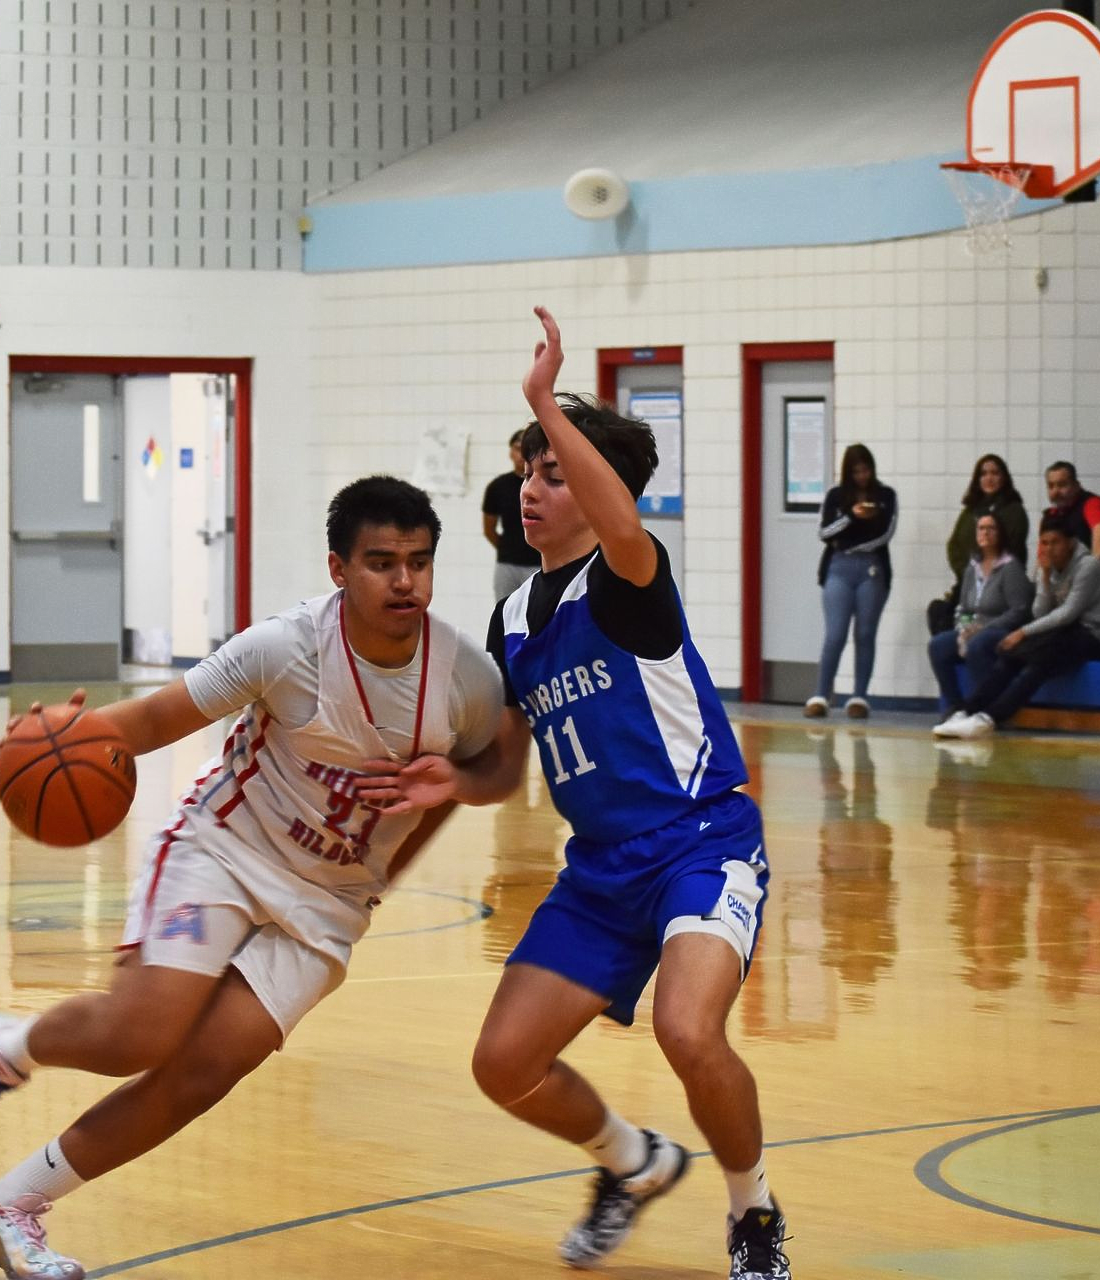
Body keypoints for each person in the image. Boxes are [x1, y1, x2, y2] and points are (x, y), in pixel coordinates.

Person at [0, 476, 508, 1280]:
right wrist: (58, 739)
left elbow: (499, 765)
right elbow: (157, 720)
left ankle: (6, 1210)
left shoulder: (463, 675)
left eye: (420, 562)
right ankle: (2, 1050)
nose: (405, 582)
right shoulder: (285, 648)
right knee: (141, 1033)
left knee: (202, 1074)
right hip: (227, 849)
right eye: (381, 562)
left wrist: (459, 788)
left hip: (329, 901)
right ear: (338, 568)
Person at [363, 307, 793, 1279]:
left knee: (690, 1028)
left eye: (552, 469)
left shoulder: (629, 573)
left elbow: (623, 516)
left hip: (699, 844)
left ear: (597, 487)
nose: (533, 486)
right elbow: (509, 766)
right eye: (528, 469)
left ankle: (752, 1210)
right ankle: (632, 1161)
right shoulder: (513, 614)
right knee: (501, 1063)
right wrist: (453, 780)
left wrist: (545, 402)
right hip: (599, 870)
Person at [933, 513, 1100, 739]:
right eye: (1045, 543)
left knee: (1038, 662)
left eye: (1055, 542)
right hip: (1063, 632)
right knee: (1011, 655)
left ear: (1070, 542)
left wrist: (1022, 632)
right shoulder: (1046, 566)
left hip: (1093, 635)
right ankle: (966, 711)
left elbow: (1066, 614)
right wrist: (1046, 576)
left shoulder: (1088, 566)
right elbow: (1040, 612)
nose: (1049, 549)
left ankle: (988, 718)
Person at [809, 443, 897, 718]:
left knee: (865, 633)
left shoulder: (885, 496)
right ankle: (822, 694)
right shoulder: (837, 496)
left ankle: (859, 695)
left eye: (866, 470)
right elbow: (824, 533)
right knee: (835, 633)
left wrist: (854, 543)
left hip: (871, 567)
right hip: (839, 566)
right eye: (857, 471)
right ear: (849, 472)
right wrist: (851, 517)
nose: (862, 476)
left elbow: (886, 533)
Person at [928, 512, 1031, 720]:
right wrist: (963, 630)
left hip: (1001, 630)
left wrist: (985, 628)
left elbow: (1019, 610)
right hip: (974, 629)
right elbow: (965, 608)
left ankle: (982, 708)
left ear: (1000, 533)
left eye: (990, 528)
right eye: (981, 528)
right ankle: (956, 706)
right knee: (938, 645)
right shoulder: (971, 568)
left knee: (979, 644)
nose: (985, 532)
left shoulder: (1010, 567)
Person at [1045, 460, 1100, 609]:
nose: (1055, 491)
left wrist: (1081, 581)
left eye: (1062, 485)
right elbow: (1044, 561)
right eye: (1051, 486)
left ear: (1076, 485)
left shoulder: (1093, 504)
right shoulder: (1051, 516)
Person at [947, 453, 1030, 578]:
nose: (989, 478)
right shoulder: (969, 511)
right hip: (969, 582)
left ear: (1004, 477)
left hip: (1003, 583)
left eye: (995, 473)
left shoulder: (1015, 511)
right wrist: (969, 574)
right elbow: (954, 546)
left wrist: (987, 575)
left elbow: (1013, 549)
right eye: (984, 474)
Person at [484, 428, 543, 599]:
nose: (521, 454)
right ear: (510, 452)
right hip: (507, 564)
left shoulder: (545, 483)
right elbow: (489, 529)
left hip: (538, 562)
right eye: (518, 448)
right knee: (504, 614)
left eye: (527, 448)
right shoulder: (497, 486)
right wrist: (508, 548)